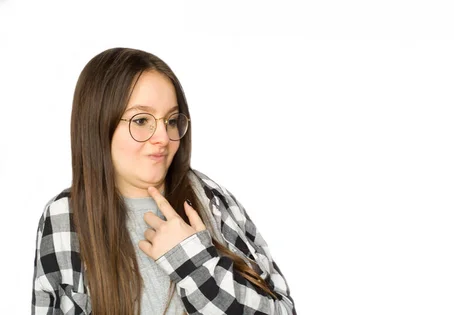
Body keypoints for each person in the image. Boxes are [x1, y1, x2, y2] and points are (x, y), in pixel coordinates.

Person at [31, 47, 296, 315]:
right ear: (99, 125)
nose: (164, 137)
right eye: (142, 120)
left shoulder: (209, 198)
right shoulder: (65, 216)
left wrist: (191, 261)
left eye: (171, 120)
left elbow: (283, 310)